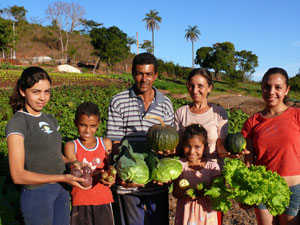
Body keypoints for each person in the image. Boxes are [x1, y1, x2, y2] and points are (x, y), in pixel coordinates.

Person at [5, 66, 89, 225]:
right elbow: (18, 175)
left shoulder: (50, 119)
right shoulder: (18, 123)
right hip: (37, 193)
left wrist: (71, 163)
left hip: (61, 190)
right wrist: (63, 177)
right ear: (23, 91)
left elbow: (57, 155)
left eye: (47, 91)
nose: (43, 97)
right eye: (36, 92)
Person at [106, 52, 174, 225]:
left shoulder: (165, 104)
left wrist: (167, 164)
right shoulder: (118, 101)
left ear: (156, 75)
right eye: (139, 73)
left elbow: (169, 141)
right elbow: (114, 142)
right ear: (132, 73)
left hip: (157, 184)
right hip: (129, 183)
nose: (144, 79)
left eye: (149, 74)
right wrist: (120, 174)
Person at [242, 67, 300, 225]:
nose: (271, 92)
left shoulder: (297, 115)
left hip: (293, 190)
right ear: (261, 88)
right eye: (267, 87)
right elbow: (248, 161)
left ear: (287, 90)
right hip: (262, 189)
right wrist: (245, 191)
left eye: (278, 87)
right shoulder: (252, 122)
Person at [64, 102, 115, 225]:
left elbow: (111, 167)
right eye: (83, 125)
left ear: (98, 124)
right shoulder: (71, 146)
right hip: (80, 200)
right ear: (75, 123)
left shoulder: (105, 143)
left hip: (103, 199)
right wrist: (91, 173)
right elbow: (73, 169)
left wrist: (111, 176)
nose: (87, 130)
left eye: (92, 126)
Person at [174, 68, 229, 167]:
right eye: (191, 86)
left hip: (213, 171)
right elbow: (178, 147)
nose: (195, 91)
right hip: (187, 172)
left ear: (209, 88)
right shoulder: (180, 113)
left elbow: (220, 147)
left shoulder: (219, 113)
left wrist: (231, 152)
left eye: (200, 86)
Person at [173, 124, 221, 225]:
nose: (192, 151)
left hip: (206, 213)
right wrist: (182, 191)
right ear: (182, 145)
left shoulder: (212, 167)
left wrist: (205, 193)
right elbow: (175, 194)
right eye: (187, 146)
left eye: (197, 147)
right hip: (186, 212)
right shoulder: (179, 166)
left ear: (205, 147)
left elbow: (217, 194)